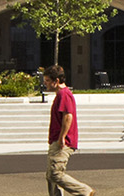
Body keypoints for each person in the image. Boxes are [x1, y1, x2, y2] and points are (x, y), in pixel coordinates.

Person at [43, 65, 96, 196]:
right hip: (56, 139)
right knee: (51, 175)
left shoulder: (64, 94)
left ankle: (84, 191)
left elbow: (68, 116)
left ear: (56, 81)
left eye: (48, 81)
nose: (45, 84)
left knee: (55, 174)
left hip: (62, 142)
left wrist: (62, 137)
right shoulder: (60, 95)